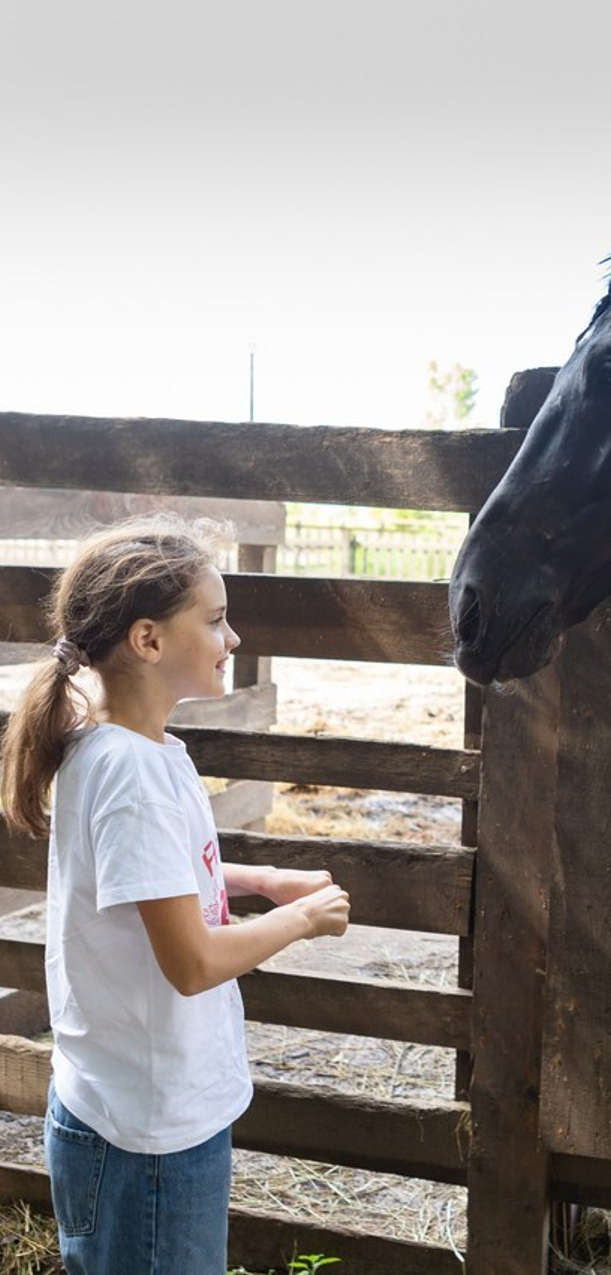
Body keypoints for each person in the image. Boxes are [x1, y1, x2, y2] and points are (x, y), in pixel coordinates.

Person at [0, 514, 351, 1274]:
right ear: (148, 640)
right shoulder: (131, 773)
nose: (233, 638)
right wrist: (299, 919)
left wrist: (259, 881)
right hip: (148, 1138)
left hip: (132, 1108)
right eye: (216, 620)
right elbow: (192, 964)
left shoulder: (122, 747)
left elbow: (151, 875)